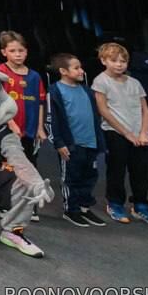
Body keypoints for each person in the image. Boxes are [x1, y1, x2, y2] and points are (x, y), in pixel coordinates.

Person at [93, 42, 148, 226]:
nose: (119, 64)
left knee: (142, 170)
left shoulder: (134, 83)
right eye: (114, 60)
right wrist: (127, 133)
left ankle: (140, 205)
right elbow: (104, 110)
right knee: (117, 169)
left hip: (139, 134)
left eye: (123, 61)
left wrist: (144, 132)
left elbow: (145, 110)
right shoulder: (101, 81)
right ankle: (115, 204)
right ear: (103, 61)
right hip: (115, 133)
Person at [48, 53, 107, 227]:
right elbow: (52, 119)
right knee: (71, 177)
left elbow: (94, 116)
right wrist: (59, 143)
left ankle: (84, 207)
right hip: (72, 145)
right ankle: (71, 209)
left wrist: (99, 141)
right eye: (76, 68)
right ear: (63, 71)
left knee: (89, 176)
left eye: (81, 67)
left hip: (90, 142)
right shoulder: (55, 91)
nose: (81, 71)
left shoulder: (87, 90)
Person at [0, 31, 47, 218]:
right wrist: (10, 123)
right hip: (7, 130)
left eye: (21, 50)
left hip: (29, 130)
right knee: (7, 167)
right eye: (13, 51)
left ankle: (28, 205)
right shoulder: (0, 73)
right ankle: (6, 204)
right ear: (4, 52)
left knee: (29, 166)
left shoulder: (34, 76)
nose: (17, 54)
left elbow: (40, 103)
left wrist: (40, 128)